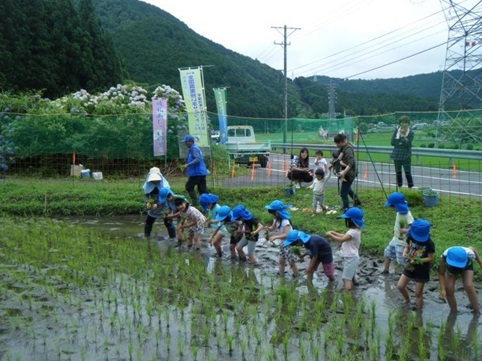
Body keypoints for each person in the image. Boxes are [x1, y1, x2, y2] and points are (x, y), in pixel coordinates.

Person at [396, 219, 435, 310]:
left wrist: (418, 260)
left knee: (418, 293)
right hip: (410, 265)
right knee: (400, 286)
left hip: (422, 270)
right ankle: (407, 300)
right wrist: (404, 253)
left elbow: (430, 258)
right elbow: (407, 247)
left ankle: (419, 311)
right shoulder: (410, 237)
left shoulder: (429, 243)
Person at [325, 207, 364, 291]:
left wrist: (331, 235)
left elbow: (341, 239)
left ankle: (347, 296)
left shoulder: (353, 232)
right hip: (352, 256)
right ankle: (355, 282)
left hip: (351, 257)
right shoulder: (355, 230)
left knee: (346, 279)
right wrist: (334, 233)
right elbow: (344, 236)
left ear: (350, 221)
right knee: (351, 271)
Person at [438, 246, 482, 314]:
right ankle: (453, 311)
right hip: (451, 269)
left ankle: (476, 310)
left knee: (468, 285)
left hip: (466, 266)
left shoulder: (469, 253)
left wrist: (480, 263)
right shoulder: (444, 257)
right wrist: (442, 289)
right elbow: (441, 273)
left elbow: (473, 249)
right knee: (449, 289)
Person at [264, 200, 300, 278]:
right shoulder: (276, 219)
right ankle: (281, 274)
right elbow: (273, 228)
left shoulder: (285, 222)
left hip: (289, 243)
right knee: (281, 260)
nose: (271, 216)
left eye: (272, 213)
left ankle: (297, 276)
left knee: (291, 262)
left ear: (277, 213)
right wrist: (268, 228)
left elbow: (287, 235)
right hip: (283, 243)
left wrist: (275, 237)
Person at [382, 192, 414, 274]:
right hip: (395, 239)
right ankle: (386, 269)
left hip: (403, 242)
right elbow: (398, 223)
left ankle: (409, 273)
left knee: (401, 260)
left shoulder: (408, 215)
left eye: (392, 206)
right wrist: (395, 230)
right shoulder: (399, 212)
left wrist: (405, 231)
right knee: (387, 252)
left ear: (397, 206)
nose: (392, 208)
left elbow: (413, 229)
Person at [329, 133, 361, 212]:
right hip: (346, 172)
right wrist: (333, 164)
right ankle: (357, 201)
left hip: (350, 173)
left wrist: (343, 172)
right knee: (347, 188)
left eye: (337, 143)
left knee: (343, 193)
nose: (336, 145)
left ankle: (346, 208)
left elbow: (351, 163)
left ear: (341, 142)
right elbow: (337, 156)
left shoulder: (348, 149)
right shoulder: (343, 148)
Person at [142, 167, 174, 239]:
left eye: (156, 180)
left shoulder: (164, 186)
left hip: (164, 205)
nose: (155, 181)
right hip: (153, 206)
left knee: (168, 222)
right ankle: (147, 237)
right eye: (153, 180)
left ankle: (173, 238)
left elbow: (167, 197)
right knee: (149, 221)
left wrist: (157, 204)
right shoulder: (148, 185)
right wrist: (147, 202)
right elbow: (146, 195)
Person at [180, 135, 208, 207]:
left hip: (197, 173)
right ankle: (206, 204)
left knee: (189, 186)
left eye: (186, 142)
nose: (186, 144)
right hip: (201, 172)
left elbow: (197, 159)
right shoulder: (193, 148)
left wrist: (188, 165)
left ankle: (196, 203)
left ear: (190, 142)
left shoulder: (194, 149)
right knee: (202, 190)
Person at [390, 115, 414, 189]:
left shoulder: (411, 132)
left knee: (407, 172)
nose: (404, 124)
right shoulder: (396, 131)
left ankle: (410, 187)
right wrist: (401, 142)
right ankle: (399, 187)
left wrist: (403, 136)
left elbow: (408, 144)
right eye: (403, 123)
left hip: (406, 155)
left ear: (408, 124)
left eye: (406, 123)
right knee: (398, 172)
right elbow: (392, 142)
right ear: (400, 123)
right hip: (397, 155)